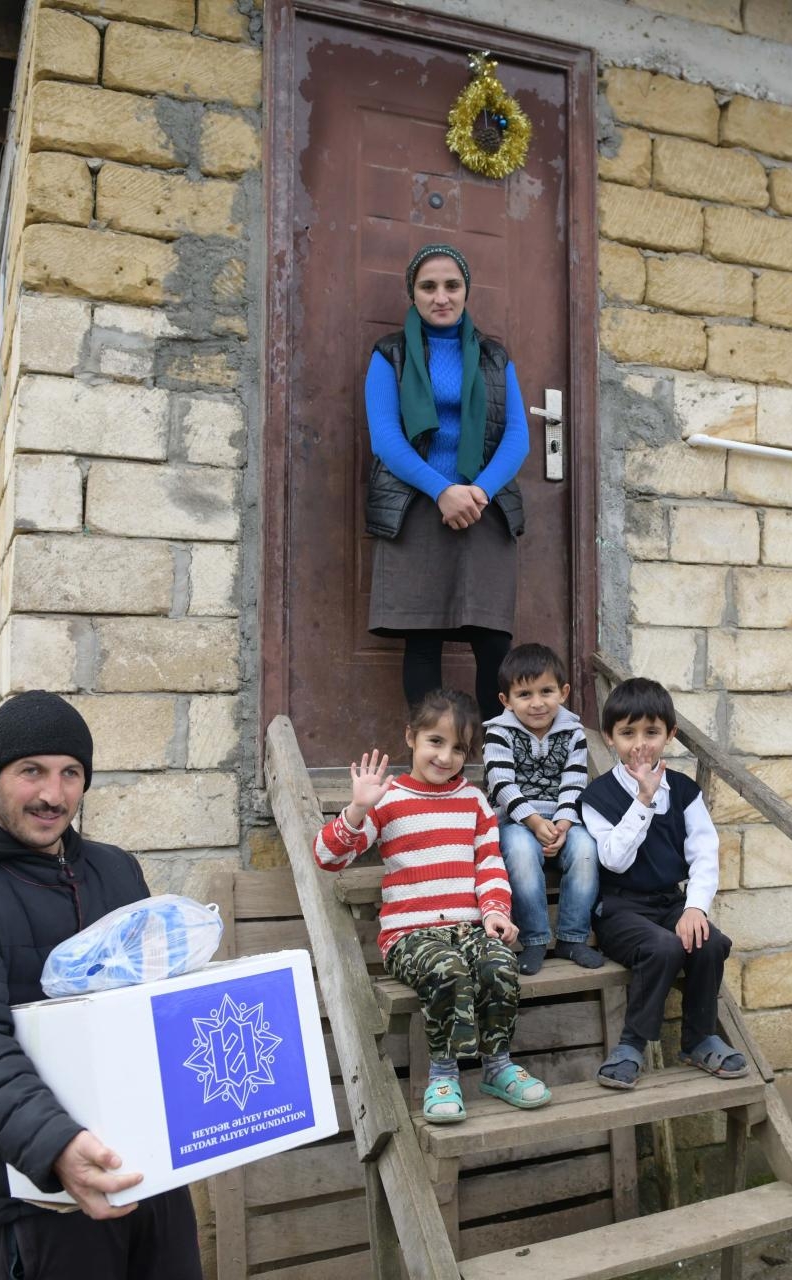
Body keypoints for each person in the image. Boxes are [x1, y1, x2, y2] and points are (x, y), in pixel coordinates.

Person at [0, 691, 202, 1280]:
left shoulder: (117, 870)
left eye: (71, 773)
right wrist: (55, 1147)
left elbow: (152, 1001)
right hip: (39, 1188)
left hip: (149, 1170)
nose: (53, 795)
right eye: (31, 772)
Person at [313, 689, 551, 1123]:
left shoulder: (474, 802)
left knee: (499, 963)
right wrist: (356, 809)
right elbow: (329, 858)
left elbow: (490, 866)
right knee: (448, 969)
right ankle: (444, 1073)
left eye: (458, 748)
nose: (445, 757)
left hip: (470, 927)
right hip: (410, 935)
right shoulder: (387, 801)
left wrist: (496, 911)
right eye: (435, 742)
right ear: (411, 737)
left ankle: (497, 1065)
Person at [364, 242, 531, 719]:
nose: (442, 296)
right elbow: (386, 439)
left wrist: (477, 491)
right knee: (423, 638)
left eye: (452, 285)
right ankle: (432, 762)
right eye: (428, 286)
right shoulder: (389, 355)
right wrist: (442, 490)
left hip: (485, 509)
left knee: (493, 641)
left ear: (466, 291)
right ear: (413, 294)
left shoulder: (495, 358)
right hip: (417, 509)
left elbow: (517, 437)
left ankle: (497, 761)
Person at [579, 678, 748, 1091]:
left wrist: (694, 908)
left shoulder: (687, 793)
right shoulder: (596, 798)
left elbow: (704, 855)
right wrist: (643, 801)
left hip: (669, 903)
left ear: (670, 735)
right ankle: (631, 1046)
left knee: (710, 942)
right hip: (620, 909)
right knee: (664, 946)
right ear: (609, 738)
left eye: (652, 732)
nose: (641, 744)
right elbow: (613, 859)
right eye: (627, 733)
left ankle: (698, 1039)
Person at [481, 643, 604, 976]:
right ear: (506, 700)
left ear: (563, 692)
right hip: (517, 820)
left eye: (546, 691)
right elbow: (502, 785)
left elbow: (575, 781)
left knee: (587, 849)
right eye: (524, 694)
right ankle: (535, 938)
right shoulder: (498, 733)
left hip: (563, 818)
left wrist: (563, 822)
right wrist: (534, 822)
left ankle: (572, 937)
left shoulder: (574, 733)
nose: (537, 703)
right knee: (520, 851)